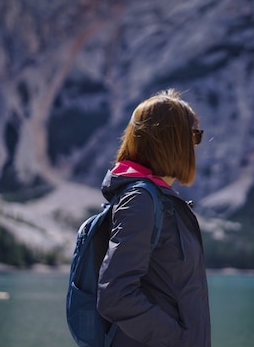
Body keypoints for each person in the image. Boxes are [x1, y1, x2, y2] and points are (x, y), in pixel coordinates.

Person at [97, 89, 211, 347]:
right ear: (173, 141)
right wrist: (180, 340)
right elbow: (115, 296)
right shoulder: (141, 200)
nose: (196, 145)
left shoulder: (156, 198)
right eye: (194, 136)